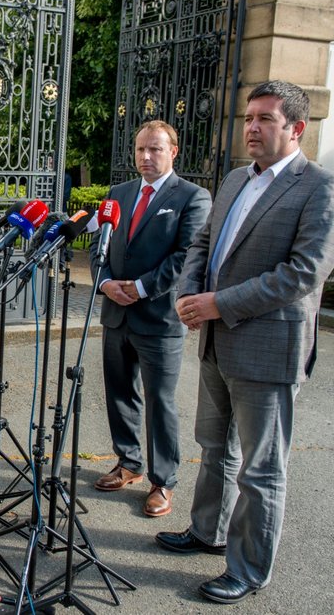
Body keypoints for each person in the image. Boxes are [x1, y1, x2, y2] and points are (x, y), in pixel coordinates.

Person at [156, 81, 334, 603]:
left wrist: (220, 303)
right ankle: (208, 531)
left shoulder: (322, 188)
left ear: (296, 128)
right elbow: (203, 243)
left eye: (265, 118)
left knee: (261, 466)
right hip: (217, 342)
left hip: (268, 349)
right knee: (214, 447)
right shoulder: (236, 180)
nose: (252, 127)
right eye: (248, 117)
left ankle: (248, 569)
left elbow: (303, 273)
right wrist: (189, 293)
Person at [89, 120, 211, 517]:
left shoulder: (193, 197)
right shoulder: (118, 194)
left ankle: (163, 481)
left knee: (160, 402)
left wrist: (140, 288)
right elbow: (98, 246)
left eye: (155, 149)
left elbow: (186, 255)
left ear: (173, 152)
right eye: (141, 149)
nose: (145, 157)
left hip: (159, 318)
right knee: (120, 393)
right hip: (115, 313)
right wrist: (105, 282)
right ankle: (128, 463)